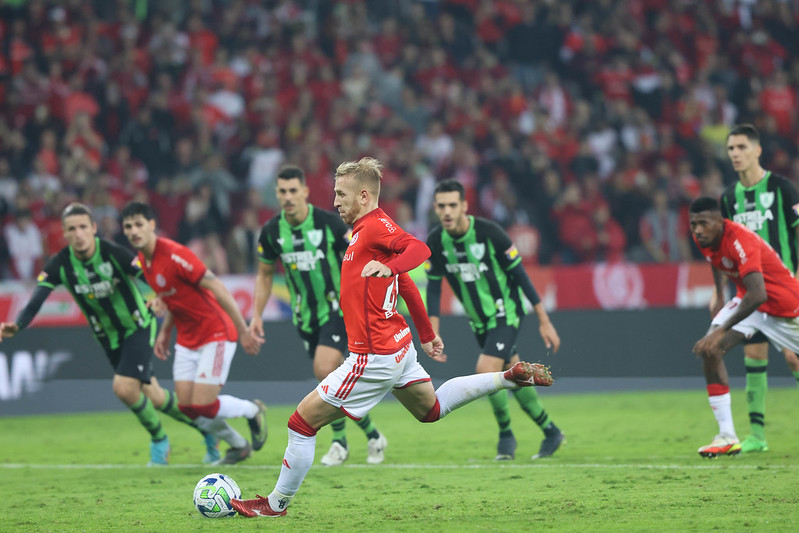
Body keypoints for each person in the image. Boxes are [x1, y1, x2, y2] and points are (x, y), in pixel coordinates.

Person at [231, 157, 553, 518]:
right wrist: (428, 334)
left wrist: (390, 265)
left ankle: (274, 505)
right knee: (430, 410)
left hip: (373, 356)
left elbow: (419, 250)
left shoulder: (373, 229)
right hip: (400, 347)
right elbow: (408, 286)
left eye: (341, 194)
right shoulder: (365, 231)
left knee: (300, 424)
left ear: (364, 196)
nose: (335, 201)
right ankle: (506, 378)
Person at [0, 203, 216, 465]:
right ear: (65, 234)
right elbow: (35, 301)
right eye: (71, 229)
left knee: (123, 387)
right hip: (108, 337)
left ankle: (160, 440)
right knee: (156, 397)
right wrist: (18, 325)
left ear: (93, 228)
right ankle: (209, 430)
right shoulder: (59, 264)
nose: (78, 234)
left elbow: (152, 276)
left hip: (138, 325)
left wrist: (160, 297)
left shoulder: (114, 253)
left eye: (82, 227)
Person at [250, 164, 388, 466]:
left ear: (304, 192)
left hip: (335, 311)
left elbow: (358, 252)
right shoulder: (272, 231)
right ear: (277, 193)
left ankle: (339, 443)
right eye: (282, 191)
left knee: (324, 370)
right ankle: (374, 434)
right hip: (304, 317)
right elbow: (264, 275)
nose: (287, 197)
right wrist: (256, 316)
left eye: (292, 191)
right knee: (333, 381)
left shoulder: (328, 223)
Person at [425, 179, 565, 460]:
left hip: (506, 314)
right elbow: (434, 287)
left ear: (464, 206)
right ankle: (550, 431)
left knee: (485, 369)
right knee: (514, 374)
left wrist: (543, 320)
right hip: (479, 322)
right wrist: (432, 333)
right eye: (442, 206)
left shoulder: (490, 233)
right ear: (435, 208)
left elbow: (521, 276)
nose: (447, 212)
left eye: (453, 205)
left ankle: (505, 436)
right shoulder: (436, 242)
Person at [120, 201, 268, 465]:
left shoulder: (176, 255)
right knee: (188, 409)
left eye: (139, 224)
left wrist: (243, 330)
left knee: (202, 405)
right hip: (187, 338)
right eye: (128, 226)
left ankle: (252, 410)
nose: (134, 231)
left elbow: (218, 288)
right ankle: (239, 446)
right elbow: (171, 298)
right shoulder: (143, 261)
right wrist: (165, 331)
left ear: (152, 225)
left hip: (216, 332)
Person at [689, 196, 799, 458]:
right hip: (750, 303)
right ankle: (727, 435)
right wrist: (719, 293)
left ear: (720, 221)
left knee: (715, 338)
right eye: (693, 224)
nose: (698, 230)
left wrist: (721, 329)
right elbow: (716, 262)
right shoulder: (704, 238)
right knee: (711, 350)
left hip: (785, 307)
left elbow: (758, 293)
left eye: (703, 223)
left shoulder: (740, 240)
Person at [719, 123, 799, 454]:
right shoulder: (728, 199)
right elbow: (725, 251)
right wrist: (721, 293)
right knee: (754, 354)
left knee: (794, 359)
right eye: (730, 149)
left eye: (740, 147)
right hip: (751, 293)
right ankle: (758, 436)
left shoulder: (782, 188)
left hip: (787, 289)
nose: (735, 154)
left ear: (757, 150)